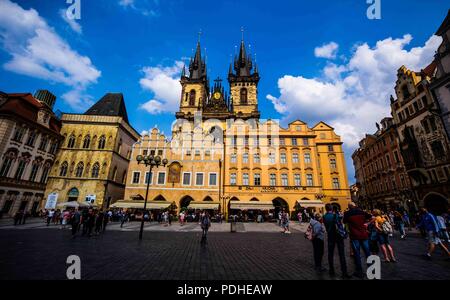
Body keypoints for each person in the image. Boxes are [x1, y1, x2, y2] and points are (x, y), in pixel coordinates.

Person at [343, 202, 372, 278]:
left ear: (349, 207)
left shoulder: (347, 213)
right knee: (367, 252)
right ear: (355, 206)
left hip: (355, 236)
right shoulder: (362, 212)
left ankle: (359, 271)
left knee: (357, 253)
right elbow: (371, 217)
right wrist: (367, 224)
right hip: (364, 235)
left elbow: (344, 221)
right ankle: (372, 269)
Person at [323, 204, 351, 279]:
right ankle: (344, 272)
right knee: (341, 254)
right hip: (338, 236)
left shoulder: (324, 216)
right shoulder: (335, 216)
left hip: (330, 236)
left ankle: (331, 270)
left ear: (326, 209)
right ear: (332, 209)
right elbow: (340, 225)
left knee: (330, 254)